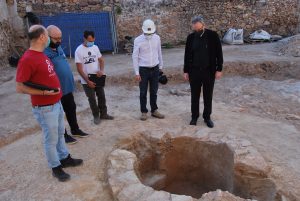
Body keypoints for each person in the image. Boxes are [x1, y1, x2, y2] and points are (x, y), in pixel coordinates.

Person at [16, 25, 83, 182]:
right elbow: (20, 87)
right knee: (50, 138)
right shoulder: (27, 59)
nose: (48, 39)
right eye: (47, 35)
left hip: (56, 103)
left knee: (60, 134)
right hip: (45, 107)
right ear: (41, 37)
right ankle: (55, 167)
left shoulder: (41, 54)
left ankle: (64, 157)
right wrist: (44, 93)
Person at [44, 25, 90, 144]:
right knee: (59, 114)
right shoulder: (43, 53)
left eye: (60, 38)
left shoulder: (58, 48)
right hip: (55, 90)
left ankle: (75, 129)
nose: (59, 41)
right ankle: (63, 135)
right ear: (47, 37)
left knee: (71, 108)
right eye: (56, 38)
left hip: (67, 88)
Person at [183, 16, 223, 127]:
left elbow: (219, 53)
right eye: (194, 28)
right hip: (194, 71)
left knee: (207, 95)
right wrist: (186, 71)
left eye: (198, 28)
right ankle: (194, 117)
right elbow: (187, 55)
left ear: (203, 25)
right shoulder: (190, 38)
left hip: (208, 71)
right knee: (194, 95)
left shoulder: (212, 36)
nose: (196, 30)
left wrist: (219, 69)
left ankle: (207, 117)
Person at [75, 30, 114, 125]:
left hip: (97, 77)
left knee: (101, 96)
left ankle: (104, 114)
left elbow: (101, 60)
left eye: (92, 40)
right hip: (86, 79)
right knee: (92, 98)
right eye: (89, 40)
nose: (91, 42)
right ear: (84, 38)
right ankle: (96, 116)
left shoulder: (95, 47)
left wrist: (101, 70)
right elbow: (79, 69)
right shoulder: (78, 50)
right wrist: (87, 81)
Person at [132, 19, 165, 121]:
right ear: (143, 30)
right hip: (143, 70)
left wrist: (161, 67)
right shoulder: (138, 40)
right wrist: (137, 72)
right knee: (143, 92)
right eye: (147, 33)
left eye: (151, 33)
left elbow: (159, 52)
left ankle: (154, 110)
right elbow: (135, 57)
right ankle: (143, 112)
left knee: (154, 91)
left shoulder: (157, 38)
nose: (149, 34)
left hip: (155, 68)